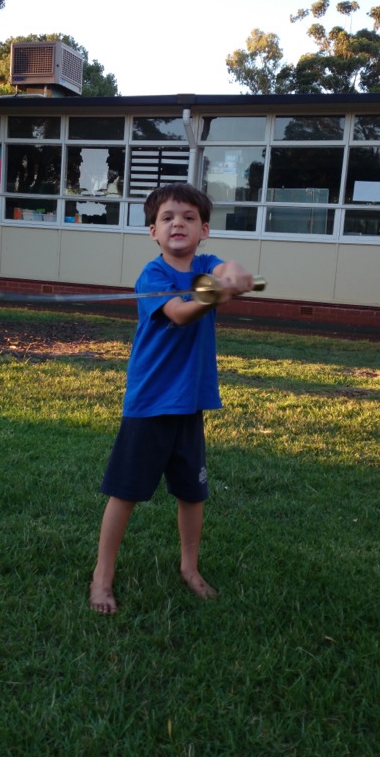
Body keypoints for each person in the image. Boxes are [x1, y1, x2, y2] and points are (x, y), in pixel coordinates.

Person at [89, 182, 255, 614]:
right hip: (151, 403)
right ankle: (101, 577)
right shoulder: (154, 276)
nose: (177, 223)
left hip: (190, 404)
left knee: (191, 494)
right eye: (167, 218)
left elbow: (229, 270)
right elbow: (181, 314)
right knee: (125, 492)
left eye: (187, 217)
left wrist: (234, 276)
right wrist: (217, 292)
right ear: (153, 232)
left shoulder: (205, 264)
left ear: (204, 229)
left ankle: (189, 568)